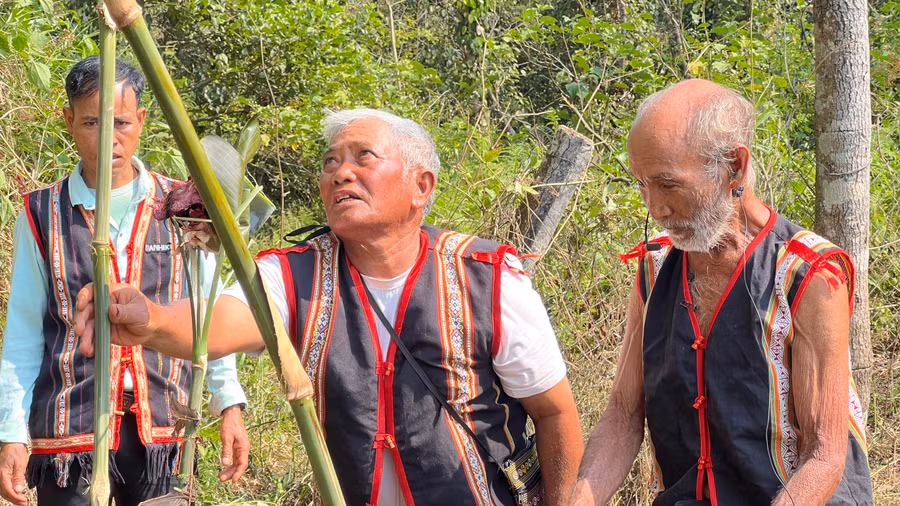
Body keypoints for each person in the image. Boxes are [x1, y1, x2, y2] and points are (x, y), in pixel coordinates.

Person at [73, 108, 584, 505]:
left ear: (420, 187)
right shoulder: (295, 274)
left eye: (364, 157)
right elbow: (225, 321)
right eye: (331, 162)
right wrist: (151, 320)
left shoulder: (488, 279)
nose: (341, 173)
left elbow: (555, 413)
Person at [569, 79, 873, 506]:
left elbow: (822, 457)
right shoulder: (655, 267)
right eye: (641, 184)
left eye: (668, 184)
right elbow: (622, 416)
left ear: (734, 166)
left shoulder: (808, 275)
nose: (654, 207)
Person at [0, 56, 250, 506]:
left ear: (141, 120)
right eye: (92, 121)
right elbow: (23, 331)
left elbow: (208, 314)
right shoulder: (40, 213)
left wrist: (227, 401)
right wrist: (12, 432)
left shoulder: (181, 205)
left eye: (120, 121)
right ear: (69, 121)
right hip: (69, 427)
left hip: (165, 426)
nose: (109, 137)